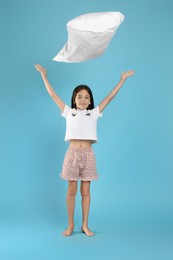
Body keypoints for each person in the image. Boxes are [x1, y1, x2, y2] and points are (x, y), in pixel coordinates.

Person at [34, 64, 134, 237]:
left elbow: (109, 97)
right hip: (72, 155)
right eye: (79, 96)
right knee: (71, 191)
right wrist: (44, 76)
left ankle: (85, 225)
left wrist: (122, 80)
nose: (82, 99)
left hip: (88, 155)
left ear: (90, 101)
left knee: (86, 192)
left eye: (86, 97)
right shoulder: (68, 112)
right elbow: (52, 94)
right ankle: (70, 224)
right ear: (74, 99)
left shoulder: (94, 113)